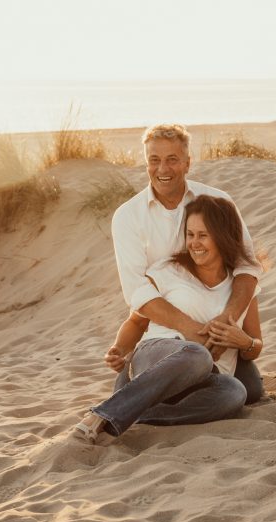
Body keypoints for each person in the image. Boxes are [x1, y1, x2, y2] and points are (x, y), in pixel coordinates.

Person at [106, 123, 264, 403]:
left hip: (216, 329)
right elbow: (137, 292)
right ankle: (130, 389)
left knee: (248, 392)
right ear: (146, 163)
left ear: (188, 163)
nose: (162, 169)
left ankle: (149, 410)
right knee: (193, 361)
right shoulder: (127, 216)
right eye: (154, 160)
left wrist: (225, 323)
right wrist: (188, 329)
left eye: (172, 160)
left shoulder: (217, 201)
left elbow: (247, 266)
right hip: (163, 333)